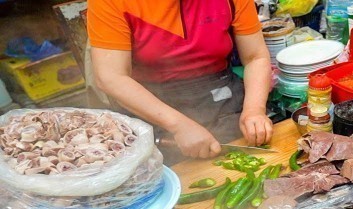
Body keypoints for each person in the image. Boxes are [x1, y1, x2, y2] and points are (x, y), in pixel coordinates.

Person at [87, 0, 273, 161]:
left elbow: (256, 57)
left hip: (221, 97)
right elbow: (111, 77)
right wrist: (179, 125)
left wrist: (254, 110)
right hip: (150, 107)